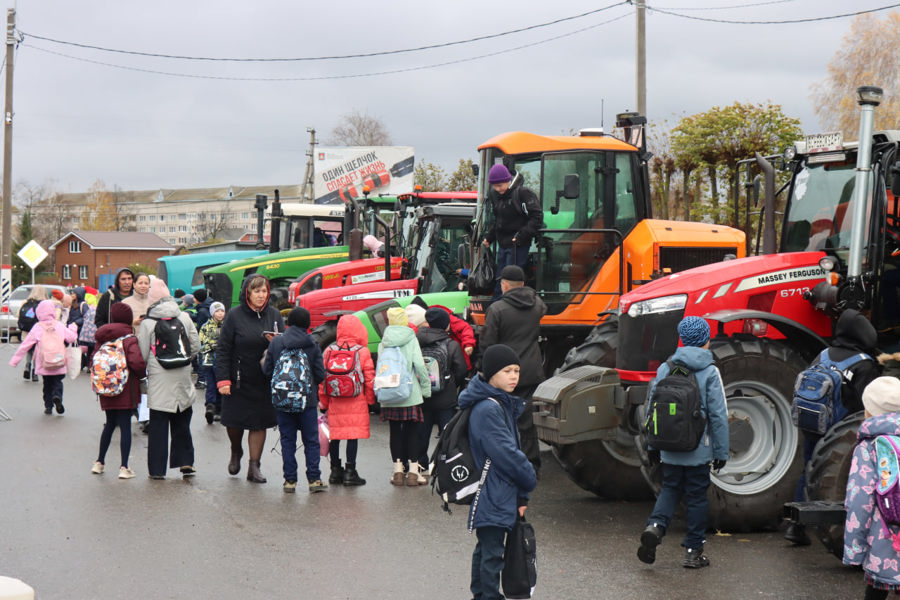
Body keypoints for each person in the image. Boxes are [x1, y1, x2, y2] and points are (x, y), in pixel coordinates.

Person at [637, 316, 729, 569]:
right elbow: (719, 414)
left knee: (670, 488)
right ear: (706, 341)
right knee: (697, 497)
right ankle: (693, 551)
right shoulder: (710, 371)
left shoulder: (665, 368)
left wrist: (653, 445)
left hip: (669, 446)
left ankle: (655, 527)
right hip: (698, 447)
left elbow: (652, 409)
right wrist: (721, 451)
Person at [786, 308, 881, 546]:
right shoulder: (865, 364)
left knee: (809, 469)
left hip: (812, 423)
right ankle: (843, 530)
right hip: (839, 431)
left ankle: (795, 526)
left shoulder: (824, 353)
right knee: (842, 479)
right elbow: (865, 405)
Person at [458, 344, 537, 600]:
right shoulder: (489, 408)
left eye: (516, 370)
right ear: (491, 374)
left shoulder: (498, 403)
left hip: (497, 488)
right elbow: (506, 453)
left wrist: (522, 495)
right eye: (507, 371)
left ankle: (481, 595)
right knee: (492, 553)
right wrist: (529, 477)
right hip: (493, 489)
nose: (514, 376)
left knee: (487, 549)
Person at [215, 275, 285, 484]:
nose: (261, 295)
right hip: (237, 379)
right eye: (257, 291)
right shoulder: (235, 316)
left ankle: (254, 466)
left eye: (264, 291)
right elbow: (223, 349)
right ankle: (236, 450)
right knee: (234, 422)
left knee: (259, 423)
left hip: (263, 379)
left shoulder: (273, 315)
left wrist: (277, 342)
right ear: (247, 293)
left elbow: (285, 345)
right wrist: (223, 380)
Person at [479, 264, 547, 474]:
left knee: (503, 421)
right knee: (527, 421)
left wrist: (483, 369)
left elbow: (488, 343)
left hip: (504, 373)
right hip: (530, 371)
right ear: (523, 284)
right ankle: (531, 465)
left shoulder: (497, 309)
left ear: (505, 285)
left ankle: (507, 465)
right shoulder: (538, 304)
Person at [137, 283, 201, 480]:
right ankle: (185, 462)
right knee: (182, 421)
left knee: (158, 427)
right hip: (182, 375)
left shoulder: (148, 323)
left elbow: (143, 353)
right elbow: (196, 345)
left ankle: (157, 469)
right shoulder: (184, 317)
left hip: (159, 378)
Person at [844, 376, 900, 600]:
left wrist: (854, 549)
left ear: (870, 411)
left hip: (884, 540)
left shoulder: (870, 447)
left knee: (876, 593)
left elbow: (860, 501)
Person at [263, 307, 327, 493]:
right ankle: (314, 479)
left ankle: (289, 480)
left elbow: (267, 371)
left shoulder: (277, 342)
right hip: (307, 400)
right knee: (311, 440)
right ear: (307, 324)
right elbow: (320, 374)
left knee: (287, 439)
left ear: (288, 322)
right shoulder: (312, 343)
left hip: (282, 400)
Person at [91, 302, 147, 479]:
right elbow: (136, 362)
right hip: (126, 388)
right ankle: (124, 467)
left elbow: (93, 359)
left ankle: (99, 462)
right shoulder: (129, 338)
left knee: (109, 424)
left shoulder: (102, 337)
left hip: (106, 387)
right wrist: (142, 375)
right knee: (124, 426)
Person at [319, 314, 376, 486]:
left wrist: (324, 402)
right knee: (352, 436)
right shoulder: (362, 351)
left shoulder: (329, 351)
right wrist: (370, 400)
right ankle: (351, 472)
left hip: (335, 400)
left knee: (335, 436)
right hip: (356, 400)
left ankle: (335, 471)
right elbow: (370, 379)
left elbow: (323, 379)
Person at [378, 307, 431, 486]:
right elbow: (420, 366)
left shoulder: (384, 341)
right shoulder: (411, 338)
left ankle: (398, 472)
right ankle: (414, 473)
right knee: (413, 433)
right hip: (410, 393)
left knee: (395, 433)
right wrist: (425, 389)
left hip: (390, 393)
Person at [416, 307, 467, 471]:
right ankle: (444, 464)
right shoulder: (451, 344)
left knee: (421, 433)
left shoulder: (418, 342)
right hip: (446, 398)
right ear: (445, 325)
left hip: (423, 396)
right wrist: (452, 385)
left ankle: (420, 463)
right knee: (447, 434)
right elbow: (461, 370)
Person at [481, 163, 543, 300]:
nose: (498, 189)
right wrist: (489, 238)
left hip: (518, 244)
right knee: (500, 278)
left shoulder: (523, 193)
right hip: (503, 244)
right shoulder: (496, 195)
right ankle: (497, 306)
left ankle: (509, 305)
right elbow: (498, 221)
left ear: (508, 180)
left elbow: (537, 217)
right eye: (494, 186)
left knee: (510, 279)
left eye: (500, 185)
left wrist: (521, 236)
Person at [9, 299, 78, 414]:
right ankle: (57, 396)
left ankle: (48, 406)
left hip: (44, 362)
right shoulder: (59, 325)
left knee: (47, 384)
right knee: (57, 382)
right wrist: (73, 328)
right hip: (59, 360)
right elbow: (72, 338)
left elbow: (25, 345)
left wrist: (15, 361)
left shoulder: (38, 327)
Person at [199, 301, 226, 424]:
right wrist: (213, 346)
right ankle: (210, 407)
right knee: (211, 384)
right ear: (212, 313)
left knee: (221, 384)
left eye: (222, 311)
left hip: (223, 361)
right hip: (209, 360)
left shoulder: (227, 326)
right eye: (217, 311)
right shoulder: (206, 326)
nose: (220, 314)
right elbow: (202, 343)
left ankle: (220, 409)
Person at [17, 285, 47, 382]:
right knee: (37, 351)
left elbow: (19, 314)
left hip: (27, 330)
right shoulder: (44, 303)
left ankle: (27, 365)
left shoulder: (25, 302)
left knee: (29, 349)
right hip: (39, 330)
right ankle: (35, 371)